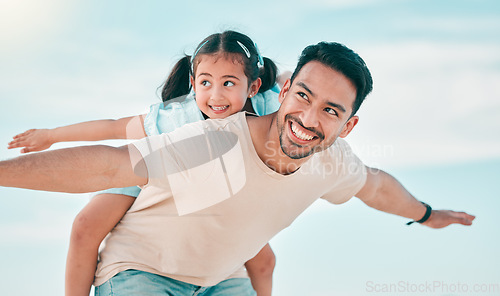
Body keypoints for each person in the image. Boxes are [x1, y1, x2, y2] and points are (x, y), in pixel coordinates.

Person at [0, 41, 475, 296]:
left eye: (330, 111)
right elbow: (110, 164)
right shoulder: (214, 140)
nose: (308, 120)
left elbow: (375, 188)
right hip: (141, 272)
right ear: (285, 89)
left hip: (222, 279)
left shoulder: (333, 162)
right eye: (304, 96)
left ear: (348, 126)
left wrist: (428, 213)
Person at [7, 30, 282, 296]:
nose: (216, 96)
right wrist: (52, 136)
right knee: (85, 225)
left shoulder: (269, 108)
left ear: (253, 86)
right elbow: (115, 128)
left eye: (229, 83)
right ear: (193, 82)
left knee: (264, 260)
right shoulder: (178, 118)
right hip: (148, 168)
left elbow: (299, 80)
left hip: (208, 197)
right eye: (206, 83)